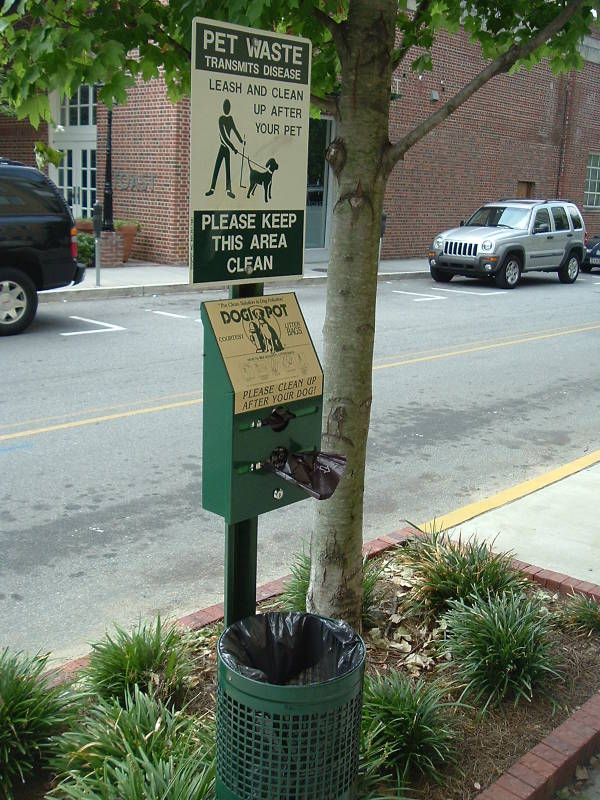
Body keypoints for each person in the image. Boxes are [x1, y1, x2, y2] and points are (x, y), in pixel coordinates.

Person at [205, 99, 244, 199]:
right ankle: (212, 189)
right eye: (225, 107)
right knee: (217, 167)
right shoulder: (221, 119)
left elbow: (235, 130)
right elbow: (223, 136)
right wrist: (233, 148)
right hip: (223, 147)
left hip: (227, 149)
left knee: (228, 169)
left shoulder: (230, 119)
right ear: (223, 108)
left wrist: (241, 141)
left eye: (228, 108)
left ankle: (229, 190)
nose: (227, 109)